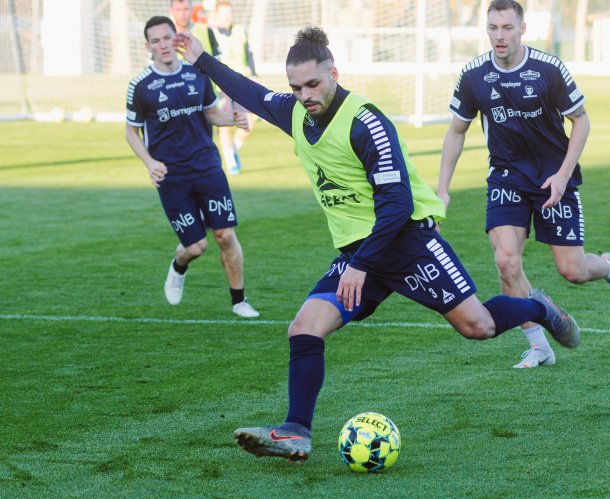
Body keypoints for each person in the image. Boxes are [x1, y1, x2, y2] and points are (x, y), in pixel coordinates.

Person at [175, 26, 579, 463]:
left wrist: (362, 264)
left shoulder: (366, 122)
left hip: (407, 240)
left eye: (313, 84)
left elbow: (397, 203)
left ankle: (540, 308)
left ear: (334, 72)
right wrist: (202, 60)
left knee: (477, 326)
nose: (305, 94)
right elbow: (249, 92)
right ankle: (295, 431)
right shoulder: (295, 112)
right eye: (296, 87)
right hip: (358, 255)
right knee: (304, 328)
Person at [438, 0, 610, 369]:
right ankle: (539, 343)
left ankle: (608, 267)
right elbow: (456, 131)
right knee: (506, 262)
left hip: (551, 178)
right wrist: (443, 189)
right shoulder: (474, 75)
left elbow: (582, 121)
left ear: (522, 29)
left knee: (572, 271)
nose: (500, 36)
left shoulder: (548, 69)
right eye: (493, 28)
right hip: (506, 177)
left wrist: (562, 174)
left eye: (507, 28)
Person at [125, 16, 260, 318]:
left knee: (225, 235)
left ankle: (239, 300)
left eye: (167, 38)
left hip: (207, 167)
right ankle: (178, 265)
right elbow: (131, 131)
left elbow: (210, 113)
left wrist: (233, 119)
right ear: (147, 46)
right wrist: (150, 163)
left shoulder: (198, 75)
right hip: (171, 175)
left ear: (177, 39)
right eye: (156, 40)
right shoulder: (141, 86)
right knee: (197, 246)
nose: (163, 45)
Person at [212, 0, 258, 175]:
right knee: (225, 124)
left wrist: (253, 74)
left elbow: (249, 54)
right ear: (216, 15)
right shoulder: (212, 34)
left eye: (229, 13)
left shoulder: (240, 31)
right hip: (221, 86)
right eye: (223, 14)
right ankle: (230, 162)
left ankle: (233, 149)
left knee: (249, 123)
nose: (227, 17)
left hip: (241, 83)